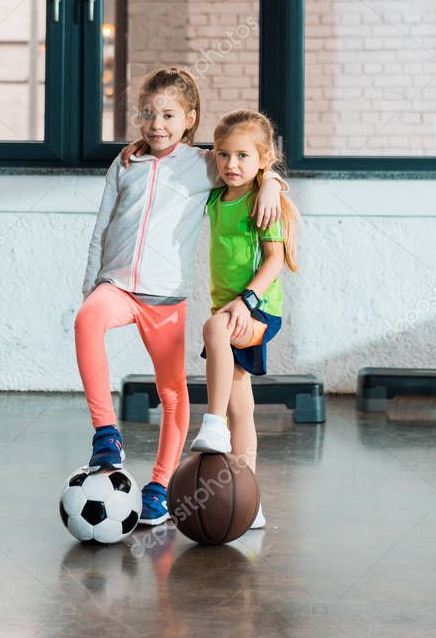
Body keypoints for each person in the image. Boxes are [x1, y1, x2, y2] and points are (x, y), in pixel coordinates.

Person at [74, 67, 290, 527]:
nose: (157, 124)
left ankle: (159, 486)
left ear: (189, 118)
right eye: (148, 114)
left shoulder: (205, 164)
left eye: (169, 115)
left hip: (165, 298)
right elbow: (101, 227)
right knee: (86, 320)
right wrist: (93, 284)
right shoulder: (126, 162)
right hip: (117, 286)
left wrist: (273, 182)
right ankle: (105, 433)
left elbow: (251, 165)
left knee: (173, 393)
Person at [190, 109, 300, 529]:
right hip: (228, 305)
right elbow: (183, 156)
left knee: (215, 328)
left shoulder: (264, 200)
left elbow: (275, 261)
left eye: (242, 156)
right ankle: (250, 499)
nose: (231, 164)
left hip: (257, 307)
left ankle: (211, 424)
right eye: (223, 155)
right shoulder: (217, 196)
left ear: (263, 159)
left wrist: (247, 301)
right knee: (242, 404)